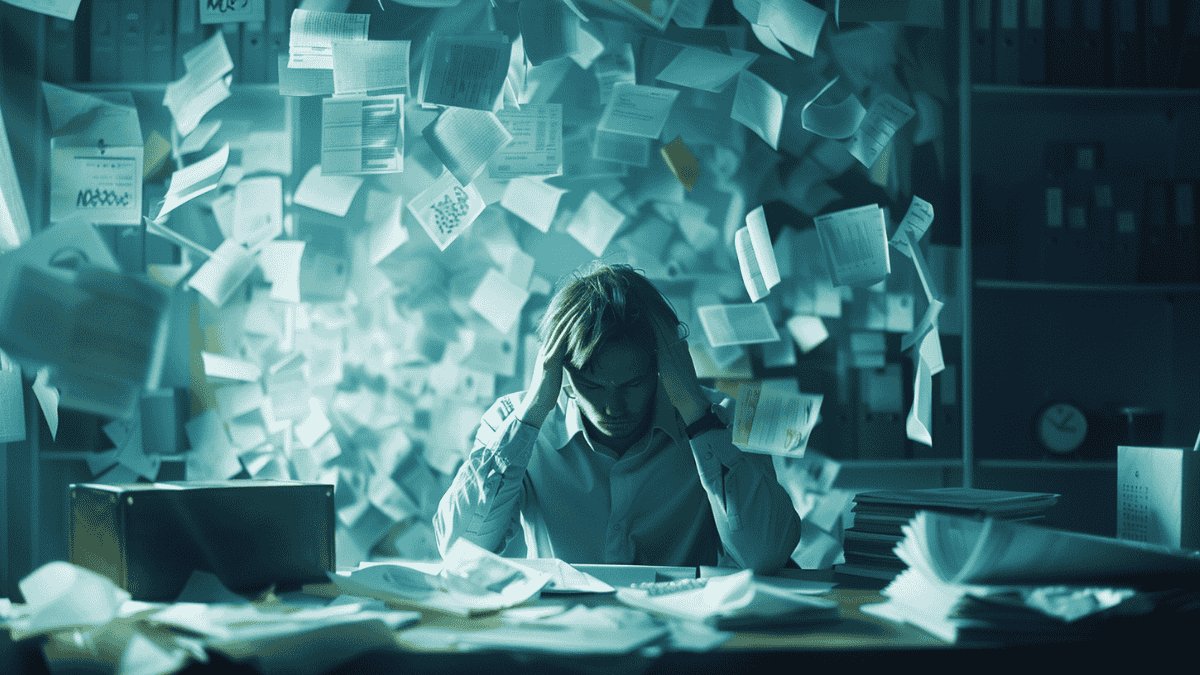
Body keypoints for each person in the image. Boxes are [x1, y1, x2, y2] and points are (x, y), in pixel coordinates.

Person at [434, 263, 801, 573]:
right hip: (562, 638)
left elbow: (765, 554)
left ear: (662, 364)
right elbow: (460, 551)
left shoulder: (721, 423)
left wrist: (696, 413)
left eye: (634, 382)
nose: (613, 407)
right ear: (559, 369)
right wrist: (530, 416)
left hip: (682, 643)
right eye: (592, 384)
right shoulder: (512, 423)